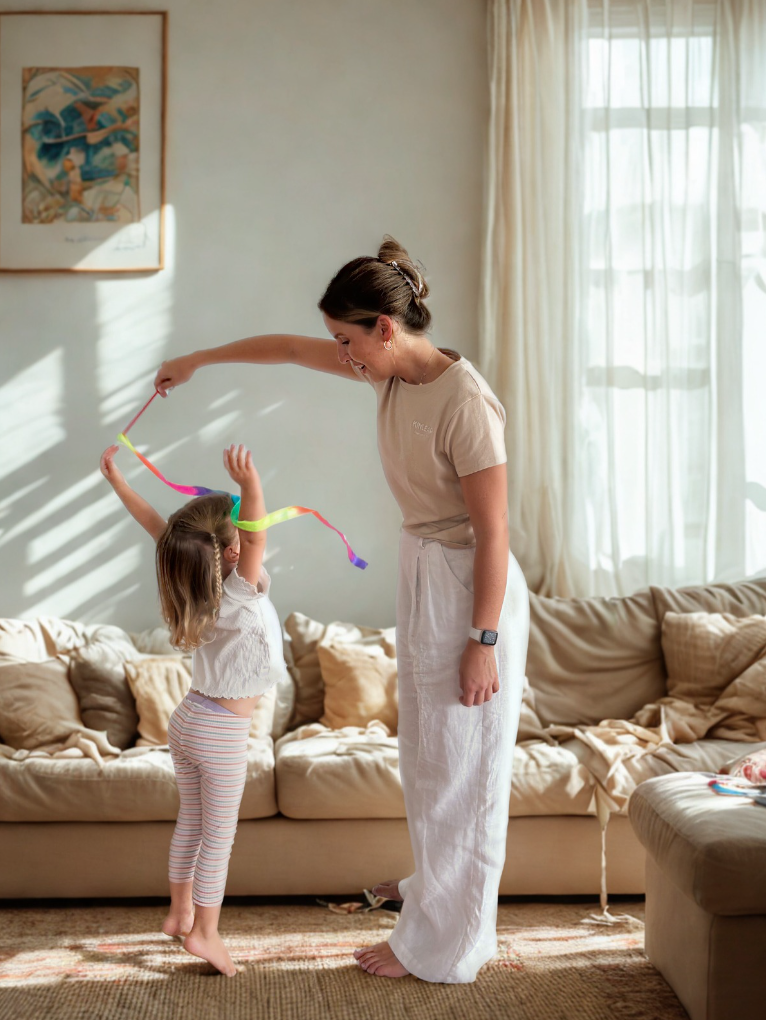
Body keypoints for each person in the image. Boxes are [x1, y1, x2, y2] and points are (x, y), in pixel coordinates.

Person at [152, 236, 530, 984]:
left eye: (347, 341)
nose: (341, 355)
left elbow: (494, 532)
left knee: (464, 767)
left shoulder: (466, 402)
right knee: (427, 761)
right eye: (339, 342)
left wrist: (482, 639)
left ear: (384, 329)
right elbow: (289, 349)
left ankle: (447, 946)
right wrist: (199, 359)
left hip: (470, 585)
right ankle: (431, 903)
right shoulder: (388, 373)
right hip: (423, 567)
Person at [99, 442, 286, 977]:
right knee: (218, 838)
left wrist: (119, 482)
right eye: (240, 540)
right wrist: (250, 486)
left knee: (193, 822)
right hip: (221, 731)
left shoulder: (194, 578)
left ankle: (180, 913)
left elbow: (159, 527)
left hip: (189, 720)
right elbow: (257, 531)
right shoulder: (240, 592)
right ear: (232, 552)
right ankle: (205, 933)